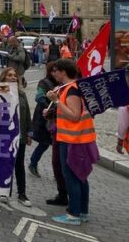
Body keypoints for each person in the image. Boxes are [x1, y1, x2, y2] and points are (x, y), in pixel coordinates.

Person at [46, 59, 97, 226]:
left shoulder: (72, 90)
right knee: (80, 175)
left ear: (63, 72)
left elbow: (74, 115)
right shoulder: (70, 88)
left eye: (56, 71)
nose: (54, 74)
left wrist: (58, 101)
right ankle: (82, 211)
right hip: (76, 138)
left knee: (73, 176)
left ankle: (73, 214)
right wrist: (54, 105)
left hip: (73, 139)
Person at [0, 67, 32, 207]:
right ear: (3, 78)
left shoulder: (21, 95)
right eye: (9, 75)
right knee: (6, 163)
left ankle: (22, 194)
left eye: (14, 76)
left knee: (19, 164)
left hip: (20, 134)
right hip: (5, 134)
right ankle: (5, 191)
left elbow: (27, 114)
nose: (13, 77)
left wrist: (29, 133)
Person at [28, 63, 57, 178]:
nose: (55, 73)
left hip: (55, 117)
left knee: (54, 144)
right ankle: (33, 163)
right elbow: (38, 97)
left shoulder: (59, 83)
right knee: (44, 142)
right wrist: (48, 108)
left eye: (57, 71)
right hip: (43, 117)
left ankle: (58, 172)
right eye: (53, 71)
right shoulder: (44, 82)